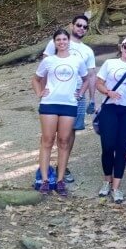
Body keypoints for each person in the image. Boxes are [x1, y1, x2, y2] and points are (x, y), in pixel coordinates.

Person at [32, 29, 89, 196]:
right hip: (50, 103)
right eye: (59, 39)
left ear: (68, 41)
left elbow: (86, 78)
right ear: (54, 42)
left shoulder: (77, 61)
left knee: (64, 141)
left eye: (65, 39)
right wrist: (39, 93)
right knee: (47, 140)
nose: (62, 42)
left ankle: (60, 180)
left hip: (69, 104)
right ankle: (44, 180)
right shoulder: (49, 61)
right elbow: (36, 78)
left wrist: (80, 93)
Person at [42, 15, 96, 183]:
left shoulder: (87, 51)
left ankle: (62, 168)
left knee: (69, 133)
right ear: (72, 25)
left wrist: (90, 98)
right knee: (48, 135)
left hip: (76, 96)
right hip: (54, 95)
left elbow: (91, 75)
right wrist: (44, 90)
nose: (81, 28)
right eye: (79, 25)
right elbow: (44, 66)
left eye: (85, 27)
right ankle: (44, 169)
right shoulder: (58, 40)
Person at [94, 37, 126, 203]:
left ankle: (116, 187)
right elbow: (98, 83)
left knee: (121, 148)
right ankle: (106, 180)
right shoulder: (110, 63)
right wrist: (108, 92)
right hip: (110, 108)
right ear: (121, 47)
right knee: (107, 147)